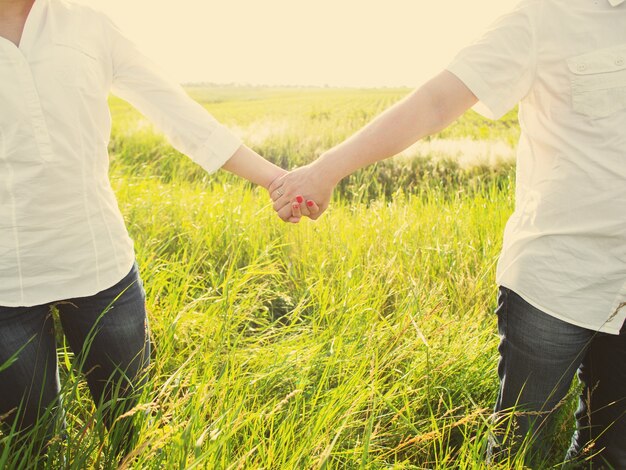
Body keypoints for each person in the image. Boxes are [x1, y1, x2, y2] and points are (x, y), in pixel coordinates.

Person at [270, 0, 626, 467]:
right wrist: (326, 170)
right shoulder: (544, 16)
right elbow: (437, 101)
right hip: (556, 286)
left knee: (612, 451)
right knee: (521, 452)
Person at [0, 0, 318, 456]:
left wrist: (275, 180)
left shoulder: (88, 25)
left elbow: (180, 114)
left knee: (133, 430)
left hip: (100, 269)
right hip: (5, 285)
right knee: (33, 447)